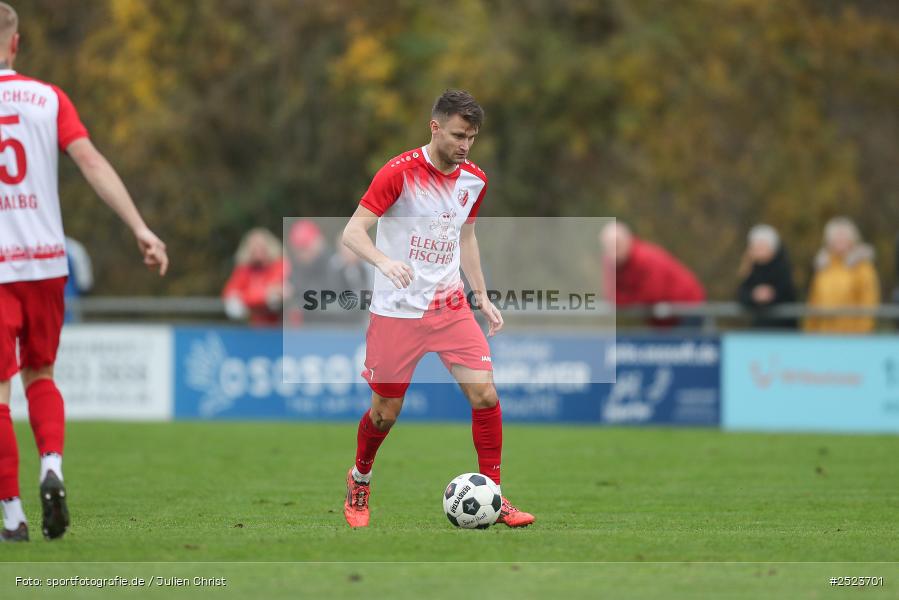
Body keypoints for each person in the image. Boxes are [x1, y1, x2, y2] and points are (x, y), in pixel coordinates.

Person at [0, 3, 168, 543]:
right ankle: (51, 465)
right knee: (41, 375)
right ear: (15, 43)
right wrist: (139, 227)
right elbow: (91, 161)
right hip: (48, 263)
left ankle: (12, 516)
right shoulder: (48, 98)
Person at [340, 90, 534, 528]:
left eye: (472, 137)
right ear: (435, 127)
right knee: (384, 414)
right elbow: (352, 233)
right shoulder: (399, 173)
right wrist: (385, 262)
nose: (466, 145)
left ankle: (494, 495)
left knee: (485, 394)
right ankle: (360, 479)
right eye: (458, 135)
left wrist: (481, 295)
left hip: (449, 306)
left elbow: (466, 237)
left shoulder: (475, 180)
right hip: (397, 311)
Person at [599, 221, 705, 327]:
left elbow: (651, 295)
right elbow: (612, 295)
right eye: (608, 246)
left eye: (617, 244)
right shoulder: (611, 263)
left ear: (628, 241)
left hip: (687, 306)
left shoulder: (645, 258)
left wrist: (625, 301)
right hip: (664, 317)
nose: (613, 250)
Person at [804, 216, 880, 334]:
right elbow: (814, 301)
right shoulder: (823, 266)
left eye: (844, 237)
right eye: (836, 237)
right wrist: (809, 331)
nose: (840, 240)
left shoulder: (862, 267)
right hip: (824, 334)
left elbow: (869, 302)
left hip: (852, 335)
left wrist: (863, 332)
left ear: (852, 239)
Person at [736, 224, 797, 329]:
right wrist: (753, 296)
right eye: (756, 247)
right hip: (759, 329)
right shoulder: (750, 270)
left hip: (783, 329)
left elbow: (789, 292)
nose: (759, 250)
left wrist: (772, 295)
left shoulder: (782, 268)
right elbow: (741, 293)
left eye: (762, 246)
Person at [222, 228, 285, 326]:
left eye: (261, 247)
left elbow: (276, 295)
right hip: (254, 327)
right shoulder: (243, 270)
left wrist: (244, 298)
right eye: (253, 248)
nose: (257, 251)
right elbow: (230, 294)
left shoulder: (280, 266)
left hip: (281, 327)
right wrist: (262, 296)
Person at [284, 219, 332, 325]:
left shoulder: (332, 264)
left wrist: (294, 291)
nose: (301, 254)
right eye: (298, 249)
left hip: (331, 324)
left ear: (318, 242)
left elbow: (323, 294)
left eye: (304, 248)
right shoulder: (296, 265)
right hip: (307, 325)